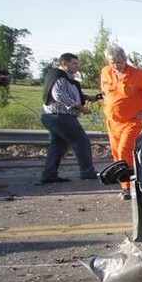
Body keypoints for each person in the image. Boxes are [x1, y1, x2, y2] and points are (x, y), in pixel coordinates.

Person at [100, 45, 142, 200]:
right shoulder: (105, 72)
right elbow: (104, 92)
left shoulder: (139, 75)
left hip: (132, 121)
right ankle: (126, 187)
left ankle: (134, 184)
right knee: (117, 153)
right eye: (113, 62)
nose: (116, 65)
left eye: (119, 62)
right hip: (113, 121)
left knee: (124, 150)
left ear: (126, 59)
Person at [39, 53, 99, 184]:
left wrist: (88, 98)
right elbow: (60, 96)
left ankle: (49, 174)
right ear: (64, 63)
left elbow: (70, 94)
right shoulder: (59, 77)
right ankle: (87, 172)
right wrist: (81, 108)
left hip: (52, 116)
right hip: (60, 116)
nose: (77, 66)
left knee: (58, 145)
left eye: (77, 64)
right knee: (81, 141)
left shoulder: (65, 78)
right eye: (74, 63)